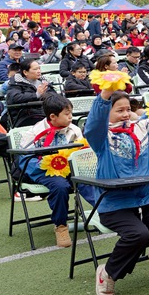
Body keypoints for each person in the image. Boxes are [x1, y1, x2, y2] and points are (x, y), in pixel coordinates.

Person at [84, 83, 149, 295]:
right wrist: (103, 98)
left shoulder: (144, 128)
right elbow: (92, 127)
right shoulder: (102, 137)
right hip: (114, 203)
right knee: (138, 234)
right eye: (118, 110)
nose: (125, 114)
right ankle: (107, 274)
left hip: (146, 198)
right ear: (106, 113)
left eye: (127, 109)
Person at [18, 93, 90, 248]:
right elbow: (24, 157)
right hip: (43, 169)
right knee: (60, 186)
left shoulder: (74, 130)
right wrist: (45, 167)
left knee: (86, 181)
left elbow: (79, 151)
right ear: (53, 116)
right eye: (67, 114)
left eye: (71, 112)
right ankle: (61, 225)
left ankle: (106, 211)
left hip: (69, 167)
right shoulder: (36, 132)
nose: (71, 117)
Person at [6, 59, 56, 129]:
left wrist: (45, 95)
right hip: (26, 116)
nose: (39, 71)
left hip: (45, 113)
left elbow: (54, 95)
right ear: (25, 72)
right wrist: (36, 95)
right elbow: (14, 98)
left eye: (39, 68)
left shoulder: (44, 81)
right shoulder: (16, 83)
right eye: (35, 69)